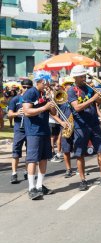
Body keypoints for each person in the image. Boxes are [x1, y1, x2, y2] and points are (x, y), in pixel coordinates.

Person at [67, 65, 101, 191]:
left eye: (84, 76)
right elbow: (77, 107)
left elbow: (97, 104)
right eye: (81, 76)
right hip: (81, 125)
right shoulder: (71, 90)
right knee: (80, 154)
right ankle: (83, 180)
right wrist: (93, 98)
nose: (84, 78)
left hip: (94, 124)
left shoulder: (90, 88)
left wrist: (98, 99)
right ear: (75, 77)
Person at [22, 71, 55, 200]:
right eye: (46, 82)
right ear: (40, 81)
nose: (48, 85)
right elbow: (27, 111)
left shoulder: (45, 94)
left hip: (44, 130)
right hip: (33, 131)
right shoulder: (31, 93)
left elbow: (52, 111)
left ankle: (40, 185)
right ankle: (31, 188)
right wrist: (44, 107)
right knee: (32, 159)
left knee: (43, 158)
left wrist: (51, 100)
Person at [8, 79, 33, 183]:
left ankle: (27, 171)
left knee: (29, 152)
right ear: (21, 87)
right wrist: (17, 113)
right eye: (24, 87)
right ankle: (14, 173)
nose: (26, 89)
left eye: (28, 87)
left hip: (30, 128)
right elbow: (9, 114)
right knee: (16, 151)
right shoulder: (15, 99)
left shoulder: (33, 99)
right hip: (19, 129)